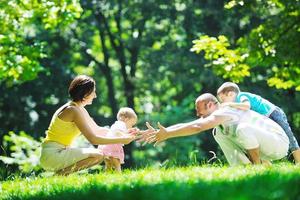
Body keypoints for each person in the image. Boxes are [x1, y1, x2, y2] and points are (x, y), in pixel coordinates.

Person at [146, 93, 289, 166]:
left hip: (278, 143)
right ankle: (245, 168)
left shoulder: (224, 110)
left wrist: (169, 134)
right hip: (266, 145)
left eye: (199, 109)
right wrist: (166, 132)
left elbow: (197, 127)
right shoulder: (218, 117)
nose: (197, 114)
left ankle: (258, 167)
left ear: (209, 105)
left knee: (242, 129)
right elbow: (194, 123)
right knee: (218, 133)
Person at [39, 75, 136, 175]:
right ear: (85, 94)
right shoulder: (73, 110)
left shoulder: (79, 109)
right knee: (98, 155)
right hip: (52, 154)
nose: (95, 95)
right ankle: (60, 175)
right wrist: (122, 140)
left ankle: (60, 175)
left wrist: (124, 134)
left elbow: (98, 130)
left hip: (59, 152)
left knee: (98, 155)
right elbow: (93, 139)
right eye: (93, 92)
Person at [217, 82, 300, 164]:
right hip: (265, 119)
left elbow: (247, 106)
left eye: (223, 99)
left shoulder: (241, 96)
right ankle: (266, 165)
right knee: (258, 139)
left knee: (290, 138)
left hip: (273, 113)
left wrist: (229, 104)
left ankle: (298, 162)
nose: (223, 103)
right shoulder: (237, 104)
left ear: (231, 94)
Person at [98, 107, 138, 172]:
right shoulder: (121, 124)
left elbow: (119, 132)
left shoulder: (117, 124)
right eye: (131, 124)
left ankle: (107, 175)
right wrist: (125, 136)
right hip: (113, 146)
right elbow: (117, 132)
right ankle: (118, 174)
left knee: (109, 164)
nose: (131, 126)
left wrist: (129, 132)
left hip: (107, 146)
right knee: (117, 163)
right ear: (126, 119)